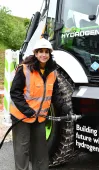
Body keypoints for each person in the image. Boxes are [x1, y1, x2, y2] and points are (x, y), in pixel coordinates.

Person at [10, 38, 70, 170]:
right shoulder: (24, 69)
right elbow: (15, 93)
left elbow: (55, 94)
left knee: (41, 151)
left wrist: (64, 108)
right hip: (22, 116)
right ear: (35, 54)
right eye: (40, 52)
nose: (44, 55)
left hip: (39, 117)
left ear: (50, 54)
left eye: (46, 52)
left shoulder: (52, 72)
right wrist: (27, 110)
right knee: (22, 149)